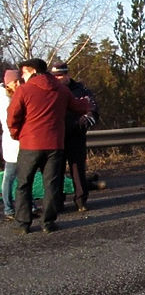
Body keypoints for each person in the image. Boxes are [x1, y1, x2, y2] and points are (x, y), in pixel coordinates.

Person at [7, 58, 90, 234]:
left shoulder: (24, 90)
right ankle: (48, 222)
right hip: (55, 144)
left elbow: (13, 116)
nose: (22, 76)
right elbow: (79, 106)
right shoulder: (62, 90)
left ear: (32, 71)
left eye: (24, 72)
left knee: (24, 183)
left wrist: (16, 134)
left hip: (30, 144)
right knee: (51, 183)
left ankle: (23, 223)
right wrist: (88, 102)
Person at [50, 61, 99, 212]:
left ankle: (81, 201)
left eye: (61, 75)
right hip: (56, 137)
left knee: (78, 170)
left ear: (68, 74)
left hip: (76, 136)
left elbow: (93, 110)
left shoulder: (81, 90)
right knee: (55, 171)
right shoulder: (49, 90)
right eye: (55, 76)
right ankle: (57, 203)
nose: (59, 78)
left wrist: (82, 123)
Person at [1, 70, 21, 220]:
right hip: (13, 142)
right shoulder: (5, 100)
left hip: (18, 142)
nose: (18, 84)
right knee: (10, 176)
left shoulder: (11, 97)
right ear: (8, 83)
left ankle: (27, 205)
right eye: (15, 82)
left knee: (24, 177)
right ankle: (8, 208)